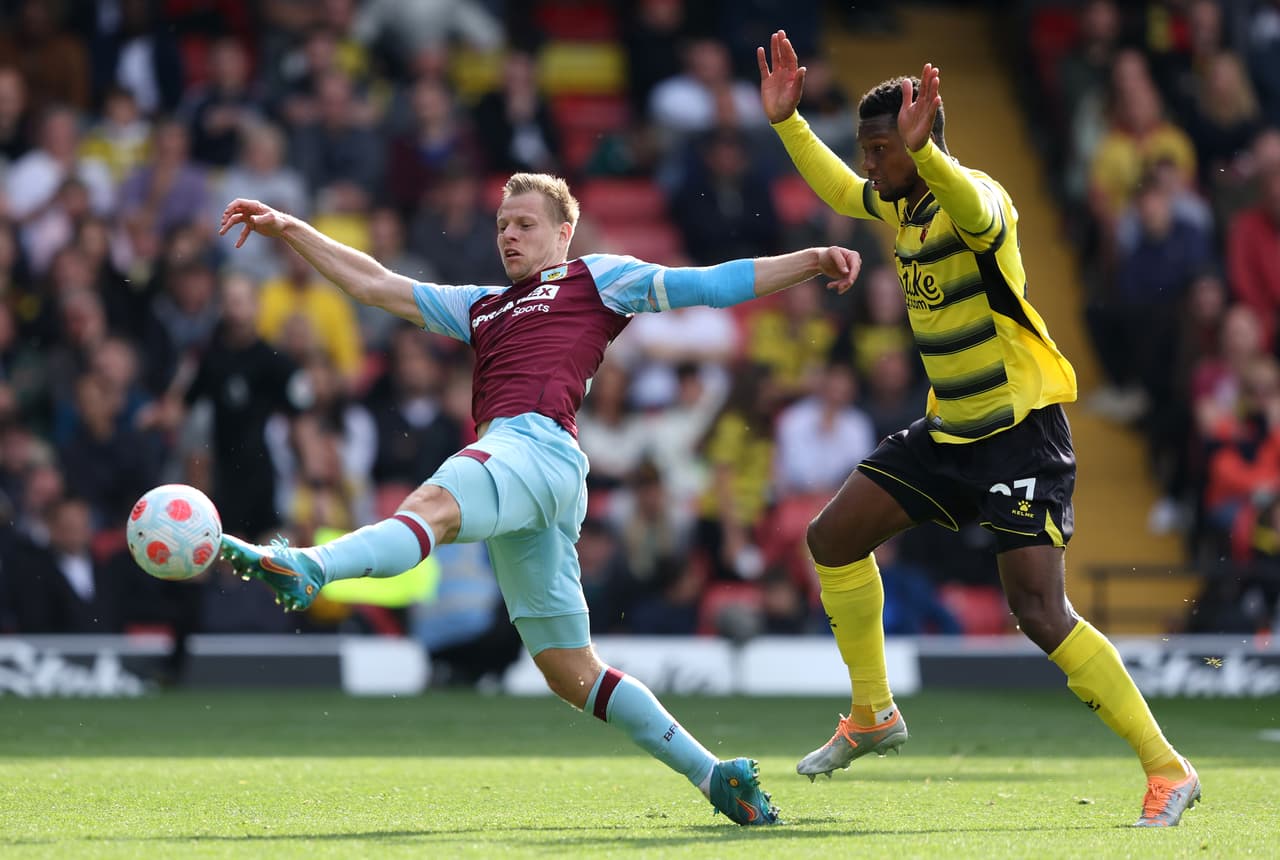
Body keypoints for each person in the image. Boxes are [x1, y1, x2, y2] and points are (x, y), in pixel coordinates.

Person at [216, 172, 865, 826]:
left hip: (534, 443)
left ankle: (310, 566)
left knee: (431, 506)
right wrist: (292, 229)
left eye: (525, 224)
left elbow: (709, 284)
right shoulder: (482, 306)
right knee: (569, 672)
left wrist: (810, 260)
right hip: (536, 477)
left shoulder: (595, 278)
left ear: (564, 232)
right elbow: (376, 284)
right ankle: (715, 776)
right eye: (502, 225)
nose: (510, 235)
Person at [758, 30, 1199, 827]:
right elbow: (841, 190)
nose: (869, 166)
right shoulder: (896, 202)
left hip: (1020, 430)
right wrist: (789, 123)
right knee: (832, 538)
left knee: (1039, 612)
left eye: (882, 150)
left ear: (921, 142)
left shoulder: (980, 200)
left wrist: (927, 155)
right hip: (951, 430)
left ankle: (1168, 769)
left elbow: (968, 202)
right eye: (867, 150)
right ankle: (873, 712)